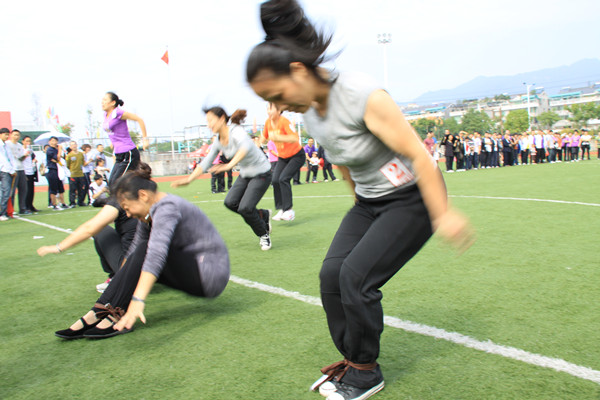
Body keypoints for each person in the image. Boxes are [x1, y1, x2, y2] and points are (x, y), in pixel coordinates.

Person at [246, 1, 474, 399]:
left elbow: (420, 156)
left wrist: (444, 213)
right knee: (331, 276)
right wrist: (360, 204)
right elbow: (343, 162)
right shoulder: (310, 114)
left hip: (411, 200)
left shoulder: (361, 94)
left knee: (356, 277)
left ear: (298, 71)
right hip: (370, 204)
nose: (278, 108)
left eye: (277, 96)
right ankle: (354, 360)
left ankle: (366, 372)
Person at [42, 163, 230, 339]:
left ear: (143, 195)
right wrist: (118, 286)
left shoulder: (167, 207)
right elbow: (132, 255)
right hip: (191, 267)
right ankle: (99, 311)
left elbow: (155, 254)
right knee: (138, 249)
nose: (128, 214)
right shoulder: (148, 214)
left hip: (209, 275)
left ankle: (115, 314)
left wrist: (137, 301)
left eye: (127, 208)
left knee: (146, 248)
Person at [173, 108, 273, 251]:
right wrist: (189, 179)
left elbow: (245, 148)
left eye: (211, 121)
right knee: (230, 202)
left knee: (245, 208)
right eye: (207, 122)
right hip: (246, 174)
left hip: (262, 172)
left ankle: (263, 234)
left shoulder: (236, 131)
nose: (208, 125)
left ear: (221, 119)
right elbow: (206, 162)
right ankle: (262, 214)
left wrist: (229, 166)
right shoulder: (218, 141)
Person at [260, 102, 305, 221]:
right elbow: (263, 138)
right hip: (283, 157)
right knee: (275, 180)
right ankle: (282, 209)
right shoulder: (268, 122)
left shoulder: (284, 121)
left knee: (283, 179)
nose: (268, 111)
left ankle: (289, 211)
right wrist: (255, 145)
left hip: (296, 156)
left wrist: (278, 137)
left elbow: (294, 137)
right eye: (267, 109)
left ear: (279, 110)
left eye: (271, 109)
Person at [101, 92, 149, 185]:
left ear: (113, 102)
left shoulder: (118, 113)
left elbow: (139, 119)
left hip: (128, 153)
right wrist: (113, 143)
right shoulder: (105, 115)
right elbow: (114, 130)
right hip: (119, 154)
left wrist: (145, 139)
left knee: (116, 184)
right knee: (111, 184)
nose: (102, 102)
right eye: (102, 100)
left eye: (105, 100)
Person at [6, 129, 29, 215]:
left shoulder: (19, 145)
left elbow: (20, 158)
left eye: (18, 135)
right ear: (11, 135)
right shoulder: (7, 144)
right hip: (12, 169)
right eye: (15, 135)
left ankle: (22, 208)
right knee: (11, 191)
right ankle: (10, 210)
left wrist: (25, 155)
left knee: (23, 190)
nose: (16, 137)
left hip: (21, 169)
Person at [45, 137, 67, 210]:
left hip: (59, 170)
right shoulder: (50, 150)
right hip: (52, 170)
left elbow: (61, 158)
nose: (54, 142)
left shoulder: (56, 149)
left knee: (61, 188)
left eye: (55, 141)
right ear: (49, 142)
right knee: (53, 188)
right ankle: (54, 204)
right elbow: (57, 158)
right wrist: (59, 150)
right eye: (52, 141)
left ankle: (63, 203)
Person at [0, 128, 16, 221]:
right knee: (5, 192)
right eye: (5, 134)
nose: (7, 136)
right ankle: (2, 213)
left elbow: (11, 158)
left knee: (6, 192)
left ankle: (4, 212)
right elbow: (3, 159)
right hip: (4, 171)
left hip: (6, 171)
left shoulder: (6, 145)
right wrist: (11, 170)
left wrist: (13, 169)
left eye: (7, 134)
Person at [66, 140, 87, 207]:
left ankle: (80, 202)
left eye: (75, 144)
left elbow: (83, 162)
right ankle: (72, 202)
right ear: (70, 147)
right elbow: (68, 165)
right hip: (73, 174)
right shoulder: (69, 155)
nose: (74, 146)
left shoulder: (81, 154)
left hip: (80, 174)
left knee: (81, 189)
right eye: (72, 145)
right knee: (72, 189)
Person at [21, 136, 39, 213]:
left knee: (31, 190)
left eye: (29, 141)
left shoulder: (30, 150)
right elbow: (19, 159)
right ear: (23, 141)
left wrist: (34, 160)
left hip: (31, 171)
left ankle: (31, 205)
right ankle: (25, 206)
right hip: (24, 172)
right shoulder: (21, 150)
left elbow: (33, 158)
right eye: (27, 141)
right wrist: (25, 154)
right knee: (26, 190)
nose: (28, 143)